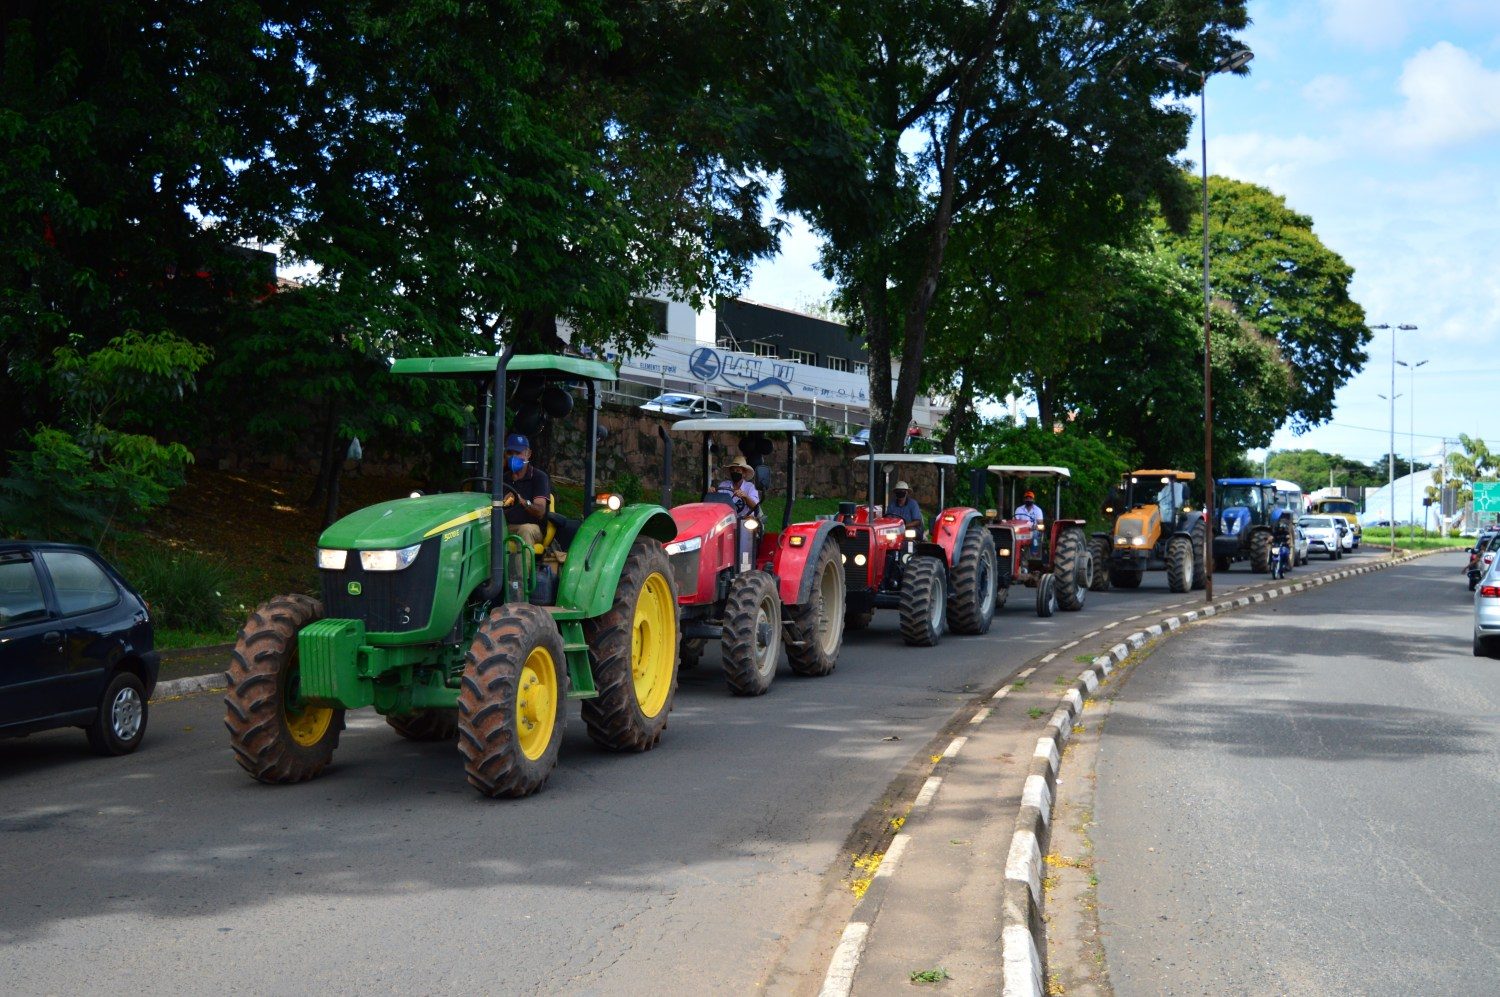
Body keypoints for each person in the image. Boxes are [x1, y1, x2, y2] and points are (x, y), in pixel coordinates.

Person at [501, 433, 551, 547]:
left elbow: (540, 511)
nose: (513, 457)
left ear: (528, 454)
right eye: (509, 453)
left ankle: (522, 565)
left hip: (533, 528)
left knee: (525, 530)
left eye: (518, 453)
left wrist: (521, 501)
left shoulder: (539, 477)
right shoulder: (502, 478)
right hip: (508, 526)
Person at [1014, 489, 1045, 554]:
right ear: (1024, 500)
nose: (1028, 500)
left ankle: (1034, 553)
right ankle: (1015, 552)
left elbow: (1040, 525)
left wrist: (1033, 527)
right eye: (1027, 498)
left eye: (1030, 498)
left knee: (1035, 534)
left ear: (1033, 500)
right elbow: (1015, 522)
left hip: (1033, 530)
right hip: (1021, 531)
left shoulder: (1038, 510)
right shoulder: (1019, 509)